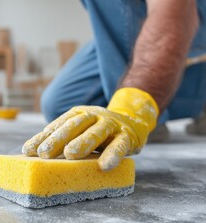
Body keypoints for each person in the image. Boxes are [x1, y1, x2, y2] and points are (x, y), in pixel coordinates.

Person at [22, 0, 206, 171]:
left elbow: (174, 11)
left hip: (184, 14)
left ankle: (154, 109)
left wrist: (133, 109)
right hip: (134, 26)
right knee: (60, 106)